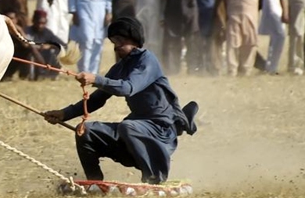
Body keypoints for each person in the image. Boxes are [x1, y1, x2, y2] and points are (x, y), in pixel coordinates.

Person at [43, 17, 198, 184]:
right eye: (113, 42)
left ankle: (154, 177)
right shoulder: (120, 68)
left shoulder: (147, 60)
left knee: (128, 126)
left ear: (134, 40)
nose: (116, 47)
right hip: (136, 130)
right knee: (85, 130)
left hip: (160, 131)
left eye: (120, 41)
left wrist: (96, 79)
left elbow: (128, 88)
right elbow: (96, 100)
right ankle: (94, 183)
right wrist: (64, 114)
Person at [24, 9, 65, 80]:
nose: (40, 25)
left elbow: (62, 45)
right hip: (29, 58)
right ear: (33, 21)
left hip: (45, 58)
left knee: (53, 51)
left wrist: (50, 46)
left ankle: (50, 74)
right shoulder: (27, 31)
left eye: (43, 23)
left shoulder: (47, 33)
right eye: (38, 23)